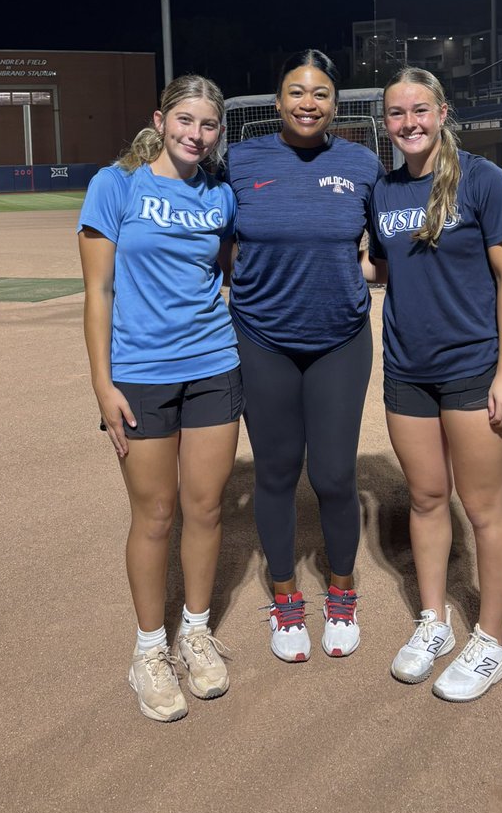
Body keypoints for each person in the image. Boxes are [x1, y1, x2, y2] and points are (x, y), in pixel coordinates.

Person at [77, 75, 242, 723]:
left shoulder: (220, 194)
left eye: (208, 124)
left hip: (214, 366)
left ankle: (195, 632)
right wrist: (102, 382)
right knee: (155, 514)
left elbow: (229, 272)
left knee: (205, 508)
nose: (196, 134)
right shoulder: (115, 186)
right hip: (141, 374)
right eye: (185, 121)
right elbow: (98, 293)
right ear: (161, 120)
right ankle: (149, 650)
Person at [364, 66, 502, 701]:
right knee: (427, 498)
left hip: (471, 368)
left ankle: (492, 639)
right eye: (397, 113)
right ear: (385, 122)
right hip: (407, 368)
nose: (409, 123)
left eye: (419, 110)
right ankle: (433, 622)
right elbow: (382, 267)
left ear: (442, 113)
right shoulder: (383, 191)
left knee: (483, 508)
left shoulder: (484, 181)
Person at [224, 49, 385, 662]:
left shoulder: (361, 164)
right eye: (296, 91)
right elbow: (219, 245)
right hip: (262, 338)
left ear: (335, 104)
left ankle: (341, 591)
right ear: (277, 101)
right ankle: (286, 597)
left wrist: (350, 274)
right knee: (275, 471)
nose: (308, 103)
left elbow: (382, 249)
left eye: (320, 93)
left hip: (339, 340)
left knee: (335, 475)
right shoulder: (241, 161)